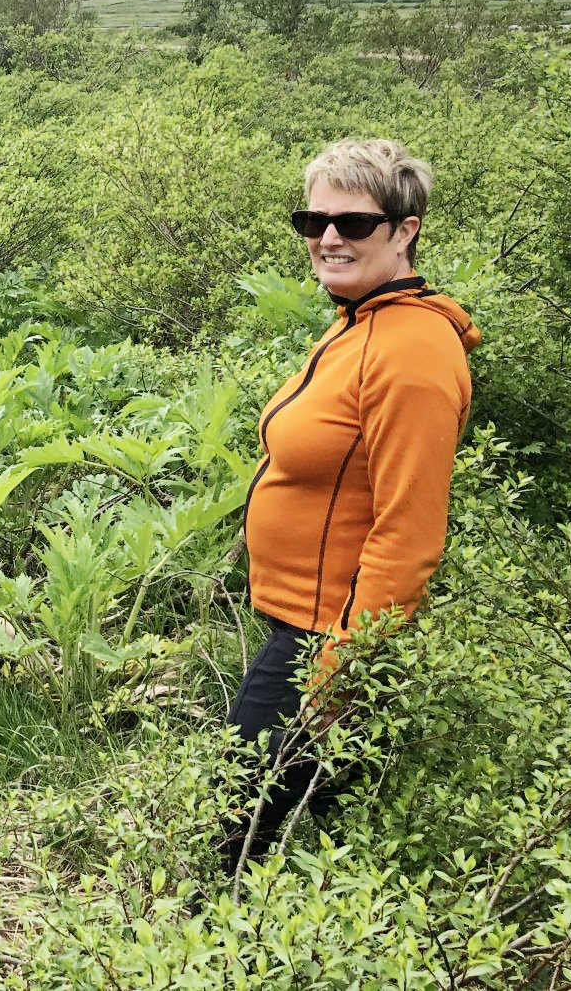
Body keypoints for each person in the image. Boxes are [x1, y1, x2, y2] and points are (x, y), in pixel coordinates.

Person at [222, 138, 480, 870]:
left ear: (405, 231)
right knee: (307, 830)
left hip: (326, 637)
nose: (329, 238)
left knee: (235, 827)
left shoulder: (412, 351)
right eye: (314, 220)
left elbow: (409, 533)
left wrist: (340, 673)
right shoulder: (362, 320)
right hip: (305, 623)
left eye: (355, 223)